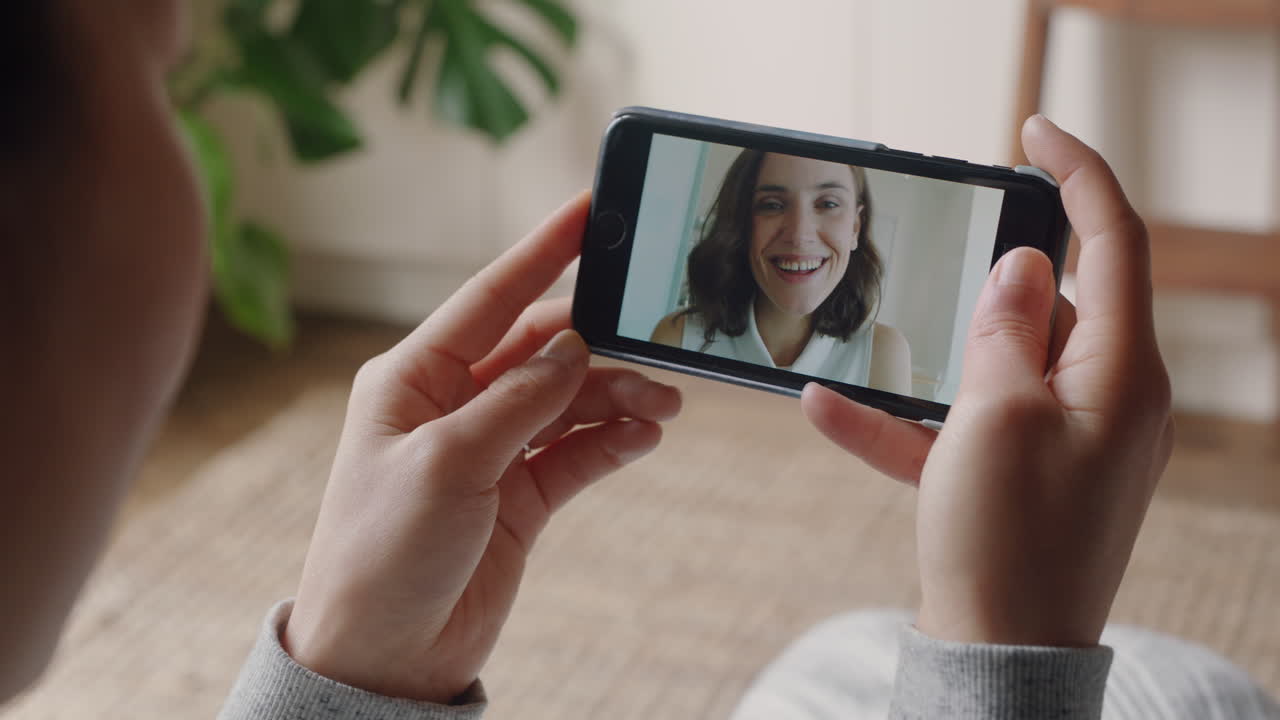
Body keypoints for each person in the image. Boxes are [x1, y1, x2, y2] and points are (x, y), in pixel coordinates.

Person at [5, 2, 1278, 719]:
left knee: (836, 653)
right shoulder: (678, 329)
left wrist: (346, 667)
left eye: (836, 205)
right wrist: (1011, 660)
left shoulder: (885, 342)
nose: (804, 232)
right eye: (158, 72)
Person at [650, 150, 913, 395]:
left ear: (855, 226)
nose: (799, 235)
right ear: (743, 224)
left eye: (828, 204)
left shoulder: (883, 353)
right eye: (772, 205)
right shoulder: (677, 336)